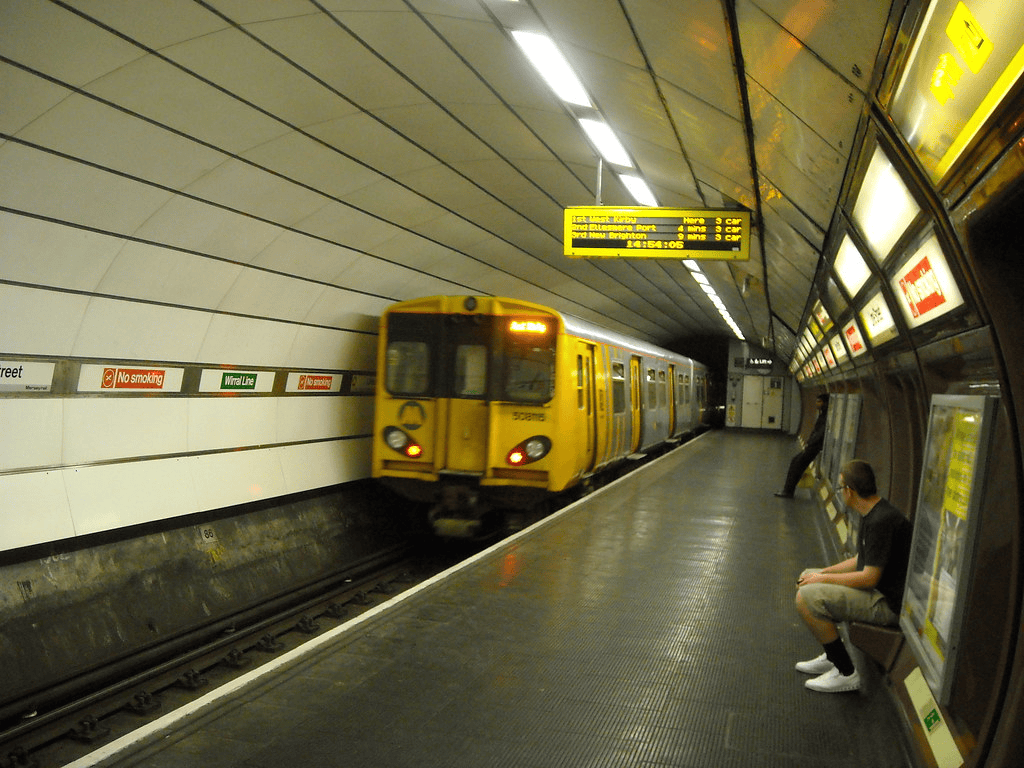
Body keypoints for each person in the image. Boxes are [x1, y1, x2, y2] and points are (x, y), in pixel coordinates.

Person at [793, 459, 913, 693]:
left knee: (806, 598)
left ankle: (845, 672)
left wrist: (822, 580)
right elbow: (862, 559)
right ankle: (832, 654)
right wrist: (822, 573)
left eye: (840, 487)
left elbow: (869, 578)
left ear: (850, 491)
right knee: (807, 576)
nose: (840, 492)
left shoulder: (880, 522)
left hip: (889, 603)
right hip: (881, 591)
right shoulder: (875, 512)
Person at [774, 392, 829, 498]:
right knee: (795, 461)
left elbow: (820, 433)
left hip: (815, 446)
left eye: (819, 401)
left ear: (825, 403)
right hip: (812, 445)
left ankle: (788, 491)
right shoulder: (822, 414)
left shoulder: (825, 416)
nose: (817, 404)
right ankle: (787, 489)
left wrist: (810, 443)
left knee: (797, 464)